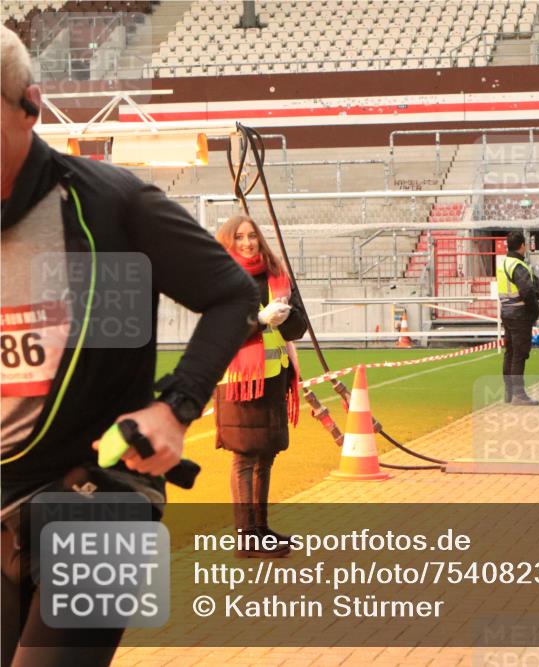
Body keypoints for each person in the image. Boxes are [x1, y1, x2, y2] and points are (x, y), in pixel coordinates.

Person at [0, 26, 258, 667]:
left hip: (101, 496)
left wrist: (175, 405)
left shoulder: (107, 205)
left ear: (29, 105)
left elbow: (231, 296)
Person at [214, 215, 307, 558]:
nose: (248, 242)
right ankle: (246, 537)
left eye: (252, 235)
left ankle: (261, 530)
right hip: (240, 380)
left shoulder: (276, 273)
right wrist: (259, 320)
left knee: (265, 453)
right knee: (244, 455)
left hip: (273, 375)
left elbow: (299, 327)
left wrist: (286, 317)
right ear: (229, 241)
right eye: (240, 237)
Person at [496, 230, 539, 406]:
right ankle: (519, 394)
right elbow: (528, 291)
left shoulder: (503, 263)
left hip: (507, 312)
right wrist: (534, 311)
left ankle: (509, 392)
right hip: (519, 314)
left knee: (510, 352)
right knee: (519, 354)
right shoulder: (517, 265)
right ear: (522, 245)